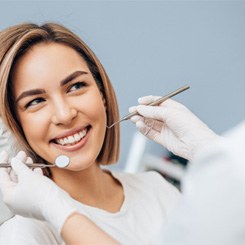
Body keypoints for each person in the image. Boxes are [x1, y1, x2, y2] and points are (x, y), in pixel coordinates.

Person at [0, 22, 182, 244]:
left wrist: (208, 150)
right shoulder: (25, 235)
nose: (65, 115)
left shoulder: (156, 189)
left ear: (102, 94)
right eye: (36, 101)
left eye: (75, 86)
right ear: (16, 125)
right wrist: (53, 206)